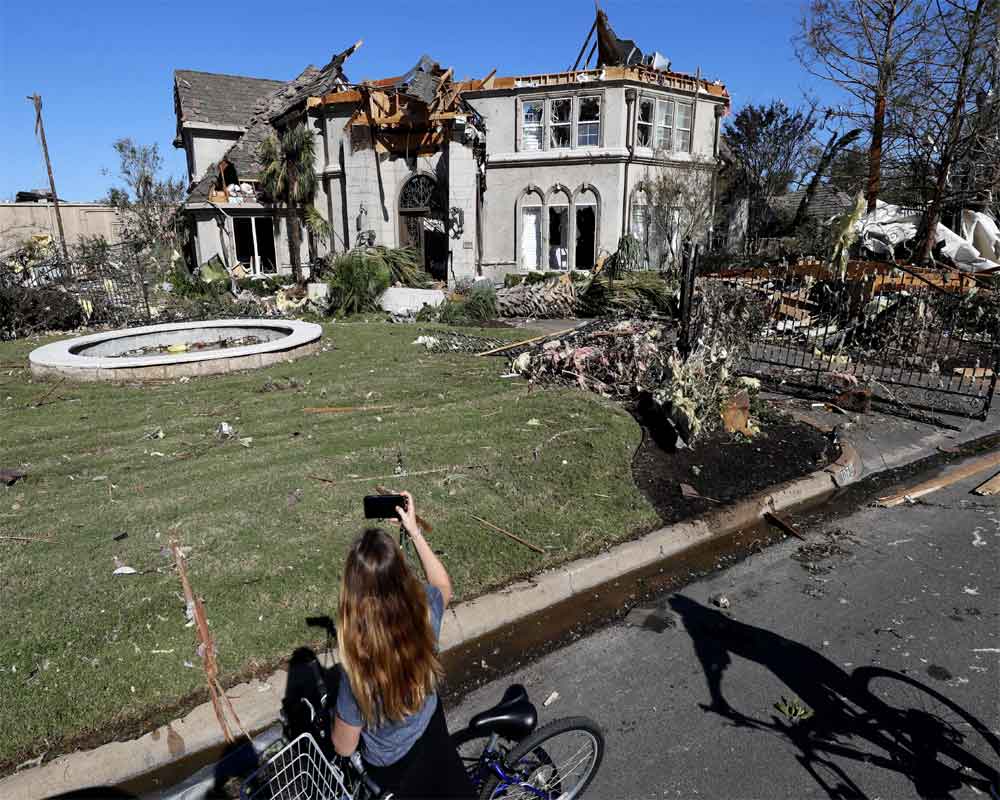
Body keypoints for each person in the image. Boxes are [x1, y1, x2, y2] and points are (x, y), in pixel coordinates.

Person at [333, 491, 474, 798]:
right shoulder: (423, 613)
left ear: (352, 593)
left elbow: (344, 748)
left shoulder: (357, 666)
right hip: (432, 730)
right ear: (400, 574)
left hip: (392, 765)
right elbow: (443, 586)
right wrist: (414, 530)